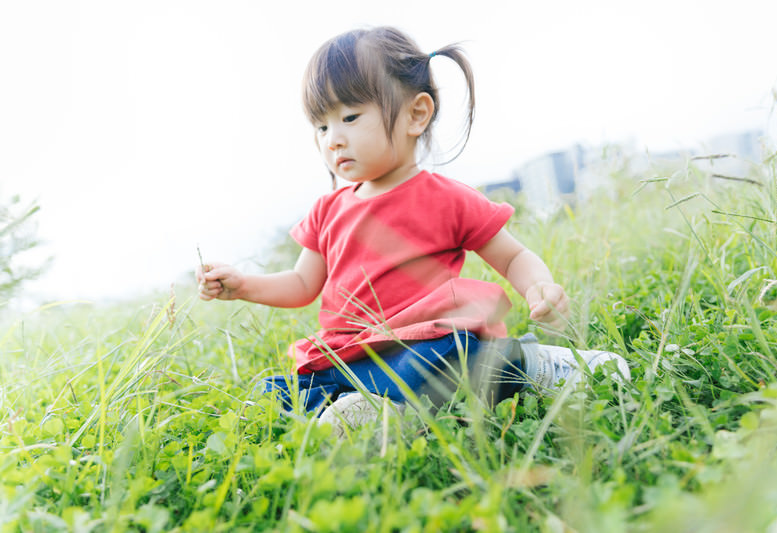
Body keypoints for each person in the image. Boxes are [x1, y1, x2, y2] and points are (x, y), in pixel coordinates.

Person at [197, 26, 629, 431]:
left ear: (415, 115)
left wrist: (539, 286)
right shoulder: (327, 211)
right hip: (351, 353)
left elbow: (512, 255)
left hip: (423, 345)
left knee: (448, 357)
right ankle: (374, 406)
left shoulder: (446, 197)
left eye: (350, 117)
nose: (332, 138)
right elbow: (300, 283)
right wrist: (243, 285)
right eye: (322, 126)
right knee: (278, 392)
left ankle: (529, 366)